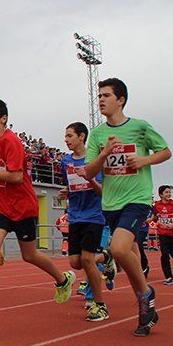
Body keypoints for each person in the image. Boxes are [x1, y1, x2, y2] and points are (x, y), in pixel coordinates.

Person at [0, 98, 76, 331]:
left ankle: (63, 280)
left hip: (22, 206)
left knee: (30, 255)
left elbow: (15, 176)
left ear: (3, 118)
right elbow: (1, 171)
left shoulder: (12, 142)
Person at [83, 78, 171, 337]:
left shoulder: (140, 127)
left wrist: (144, 159)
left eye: (106, 95)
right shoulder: (98, 134)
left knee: (119, 248)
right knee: (126, 252)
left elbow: (165, 152)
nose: (101, 99)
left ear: (120, 99)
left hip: (137, 199)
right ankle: (145, 303)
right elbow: (88, 172)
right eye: (99, 95)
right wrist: (104, 153)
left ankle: (145, 293)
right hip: (111, 203)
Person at [59, 122, 116, 322]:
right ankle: (106, 258)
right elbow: (70, 186)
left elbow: (103, 191)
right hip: (75, 216)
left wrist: (89, 178)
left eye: (69, 136)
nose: (66, 140)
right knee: (75, 262)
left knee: (87, 259)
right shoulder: (65, 161)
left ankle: (99, 305)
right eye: (65, 136)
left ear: (82, 137)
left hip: (94, 215)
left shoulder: (94, 160)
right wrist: (66, 192)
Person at [148, 185, 173, 285]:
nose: (169, 194)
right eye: (166, 192)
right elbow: (154, 217)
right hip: (162, 233)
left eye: (169, 192)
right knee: (164, 255)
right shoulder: (156, 206)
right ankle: (169, 277)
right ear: (161, 194)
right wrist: (147, 221)